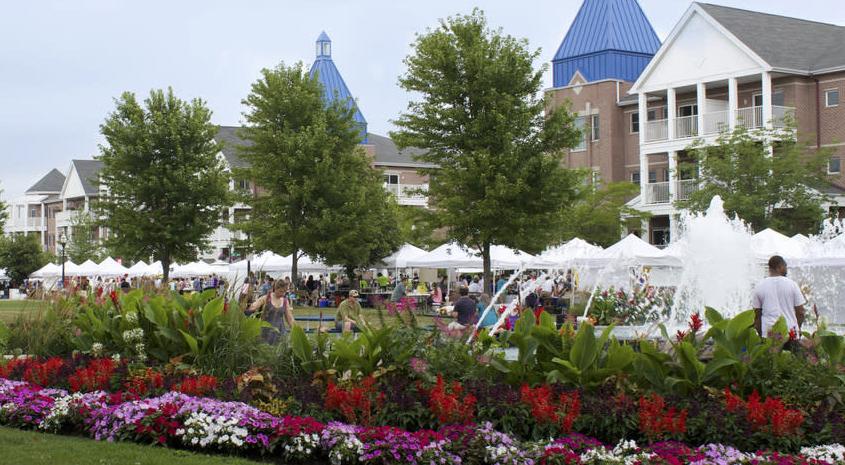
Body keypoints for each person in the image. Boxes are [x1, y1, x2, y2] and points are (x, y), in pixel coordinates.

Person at [752, 255, 806, 337]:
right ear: (779, 267)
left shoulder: (759, 286)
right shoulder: (792, 284)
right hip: (790, 333)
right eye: (785, 267)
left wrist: (761, 335)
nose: (786, 270)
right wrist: (797, 329)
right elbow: (801, 312)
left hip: (769, 334)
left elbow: (757, 315)